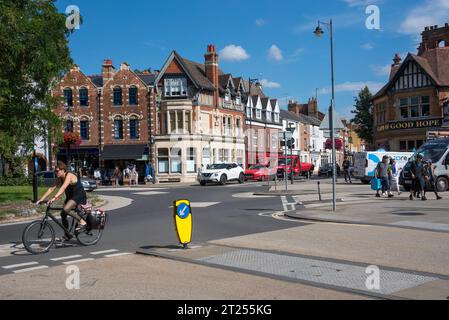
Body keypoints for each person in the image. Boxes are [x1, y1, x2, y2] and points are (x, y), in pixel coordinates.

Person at [36, 161, 88, 241]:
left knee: (66, 209)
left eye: (57, 171)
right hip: (70, 197)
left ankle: (82, 221)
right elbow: (51, 188)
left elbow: (63, 188)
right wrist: (41, 199)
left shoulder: (69, 175)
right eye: (55, 171)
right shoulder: (60, 177)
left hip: (79, 196)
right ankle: (67, 235)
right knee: (63, 214)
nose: (55, 172)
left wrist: (54, 198)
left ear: (63, 170)